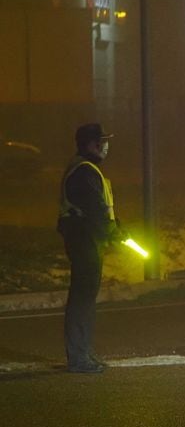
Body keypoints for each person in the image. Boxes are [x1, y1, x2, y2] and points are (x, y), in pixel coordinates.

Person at [57, 123, 124, 373]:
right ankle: (78, 357)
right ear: (90, 144)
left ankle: (83, 352)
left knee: (85, 297)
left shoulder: (88, 170)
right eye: (102, 141)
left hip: (87, 240)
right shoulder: (85, 172)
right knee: (82, 299)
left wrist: (116, 227)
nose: (105, 146)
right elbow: (95, 211)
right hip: (83, 240)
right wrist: (112, 232)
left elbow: (101, 209)